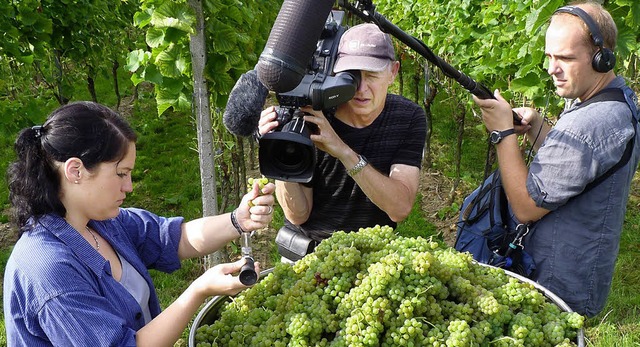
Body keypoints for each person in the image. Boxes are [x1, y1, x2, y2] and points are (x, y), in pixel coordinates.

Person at [3, 101, 276, 346]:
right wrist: (198, 290)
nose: (129, 186)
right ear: (76, 170)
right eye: (121, 174)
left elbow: (173, 238)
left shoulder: (101, 222)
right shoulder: (48, 272)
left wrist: (238, 220)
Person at [473, 1, 639, 317]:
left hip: (555, 287)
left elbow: (525, 207)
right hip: (577, 271)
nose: (551, 68)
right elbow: (580, 166)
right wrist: (536, 125)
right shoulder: (616, 99)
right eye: (549, 56)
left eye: (565, 58)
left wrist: (502, 134)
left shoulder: (590, 123)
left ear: (602, 58)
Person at [258, 23, 427, 252]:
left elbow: (399, 208)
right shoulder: (313, 114)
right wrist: (281, 153)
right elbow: (298, 215)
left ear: (393, 72)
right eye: (352, 77)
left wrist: (343, 152)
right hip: (311, 253)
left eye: (372, 76)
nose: (361, 89)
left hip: (373, 254)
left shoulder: (408, 117)